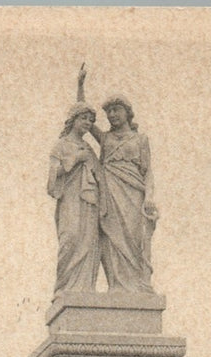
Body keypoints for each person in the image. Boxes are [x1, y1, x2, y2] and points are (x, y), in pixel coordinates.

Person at [78, 66, 157, 292]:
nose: (112, 115)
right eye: (109, 112)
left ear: (126, 112)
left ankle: (136, 285)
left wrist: (149, 197)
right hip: (109, 195)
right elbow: (84, 120)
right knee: (112, 239)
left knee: (133, 240)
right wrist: (80, 87)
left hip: (133, 193)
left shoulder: (140, 140)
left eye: (116, 110)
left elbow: (148, 172)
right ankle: (117, 286)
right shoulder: (106, 139)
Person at [47, 101, 103, 294]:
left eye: (91, 120)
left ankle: (84, 288)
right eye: (83, 118)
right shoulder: (61, 145)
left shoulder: (89, 148)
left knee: (88, 241)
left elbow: (100, 175)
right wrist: (75, 160)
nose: (88, 123)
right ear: (73, 120)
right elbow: (52, 179)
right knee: (70, 238)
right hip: (70, 200)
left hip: (90, 201)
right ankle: (62, 287)